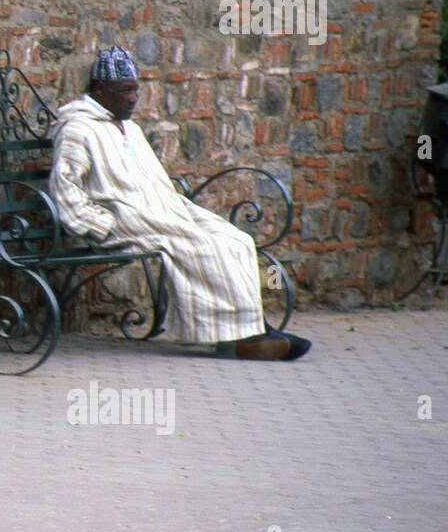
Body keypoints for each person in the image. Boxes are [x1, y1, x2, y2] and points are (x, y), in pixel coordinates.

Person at [47, 46, 311, 360]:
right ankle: (236, 338)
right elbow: (65, 188)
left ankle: (251, 328)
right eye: (124, 91)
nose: (132, 98)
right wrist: (99, 225)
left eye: (135, 90)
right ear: (100, 89)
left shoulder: (128, 127)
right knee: (201, 246)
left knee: (235, 239)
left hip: (164, 209)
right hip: (124, 218)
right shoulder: (77, 129)